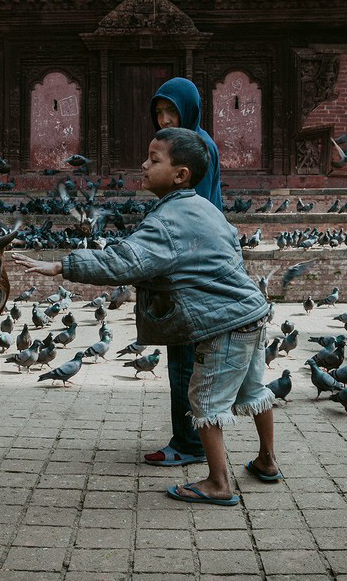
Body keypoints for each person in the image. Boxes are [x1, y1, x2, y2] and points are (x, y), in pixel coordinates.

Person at [14, 128, 277, 505]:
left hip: (224, 325)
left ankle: (219, 483)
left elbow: (125, 262)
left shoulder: (167, 220)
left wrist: (60, 267)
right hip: (251, 312)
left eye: (154, 160)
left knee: (204, 399)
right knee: (253, 391)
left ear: (180, 175)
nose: (144, 164)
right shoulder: (204, 206)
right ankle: (267, 461)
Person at [144, 77, 222, 467]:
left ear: (188, 110)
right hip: (194, 258)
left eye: (171, 112)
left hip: (192, 262)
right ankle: (190, 438)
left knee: (185, 361)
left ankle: (189, 445)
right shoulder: (190, 143)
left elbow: (193, 210)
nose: (163, 120)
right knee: (186, 357)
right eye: (158, 113)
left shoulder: (197, 149)